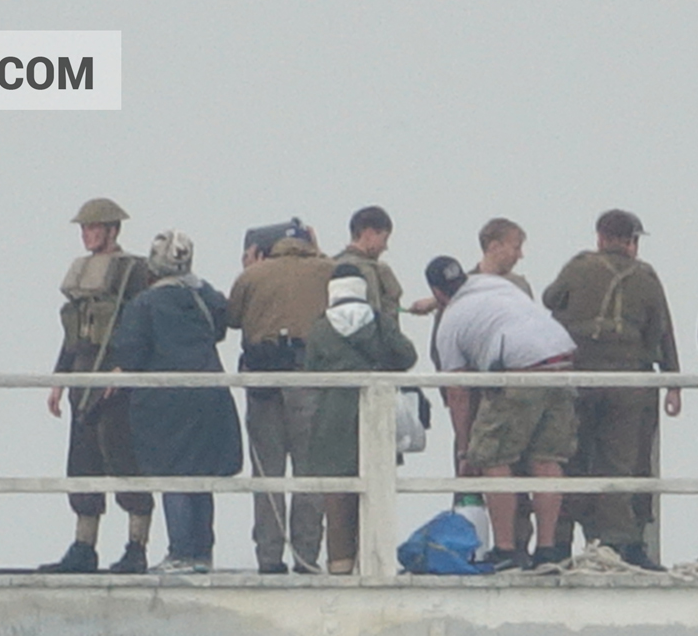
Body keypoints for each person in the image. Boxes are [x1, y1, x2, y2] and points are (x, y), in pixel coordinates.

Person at [541, 209, 682, 570]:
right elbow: (660, 332)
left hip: (579, 380)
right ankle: (622, 542)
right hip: (628, 384)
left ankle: (558, 540)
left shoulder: (578, 266)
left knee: (571, 457)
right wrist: (672, 380)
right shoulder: (647, 277)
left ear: (600, 237)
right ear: (632, 241)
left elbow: (550, 298)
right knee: (621, 463)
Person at [105, 231, 243, 575]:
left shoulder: (145, 305)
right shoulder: (203, 296)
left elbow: (131, 351)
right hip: (209, 393)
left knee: (173, 472)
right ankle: (202, 553)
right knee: (200, 476)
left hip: (165, 402)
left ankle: (181, 552)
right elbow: (222, 323)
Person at [431, 254, 579, 571]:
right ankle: (547, 549)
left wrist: (465, 448)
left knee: (493, 458)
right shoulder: (493, 284)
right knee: (546, 458)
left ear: (439, 294)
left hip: (519, 367)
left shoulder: (450, 322)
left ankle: (506, 549)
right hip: (561, 359)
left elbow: (457, 393)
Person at [43, 198, 154, 575]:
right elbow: (72, 333)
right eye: (84, 229)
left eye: (94, 228)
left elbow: (141, 327)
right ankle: (84, 545)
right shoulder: (81, 274)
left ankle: (136, 545)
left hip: (115, 380)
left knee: (123, 460)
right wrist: (60, 379)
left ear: (112, 230)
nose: (87, 235)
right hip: (82, 376)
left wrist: (125, 367)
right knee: (83, 464)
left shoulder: (133, 272)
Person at [226, 218, 334, 573]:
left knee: (267, 472)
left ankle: (269, 558)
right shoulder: (328, 270)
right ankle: (307, 556)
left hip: (263, 382)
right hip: (309, 379)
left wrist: (249, 270)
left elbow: (233, 319)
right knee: (310, 471)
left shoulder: (252, 277)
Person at [301, 264, 418, 574]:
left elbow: (310, 372)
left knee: (339, 491)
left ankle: (340, 563)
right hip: (376, 413)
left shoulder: (321, 327)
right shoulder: (379, 323)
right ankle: (374, 560)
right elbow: (407, 356)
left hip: (333, 416)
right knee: (376, 488)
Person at [331, 206, 405, 334]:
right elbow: (377, 317)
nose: (385, 247)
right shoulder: (368, 270)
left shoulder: (331, 265)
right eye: (384, 239)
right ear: (369, 234)